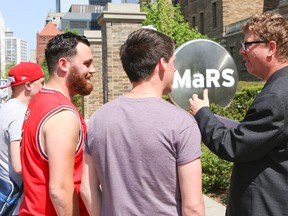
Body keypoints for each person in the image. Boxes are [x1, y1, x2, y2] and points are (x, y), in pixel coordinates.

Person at [81, 28, 205, 216]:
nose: (175, 69)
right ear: (162, 63)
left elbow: (87, 189)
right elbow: (193, 207)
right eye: (173, 62)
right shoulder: (181, 123)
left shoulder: (99, 119)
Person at [189, 11, 288, 216]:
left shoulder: (275, 97)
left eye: (248, 45)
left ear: (271, 47)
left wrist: (202, 113)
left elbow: (233, 146)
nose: (242, 52)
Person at [20, 32, 95, 216]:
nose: (92, 70)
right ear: (63, 64)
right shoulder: (62, 114)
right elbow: (59, 190)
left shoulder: (39, 100)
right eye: (86, 63)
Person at [0, 62, 44, 215]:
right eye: (41, 83)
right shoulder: (20, 114)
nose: (43, 88)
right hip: (14, 198)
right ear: (28, 85)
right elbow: (18, 166)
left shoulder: (4, 108)